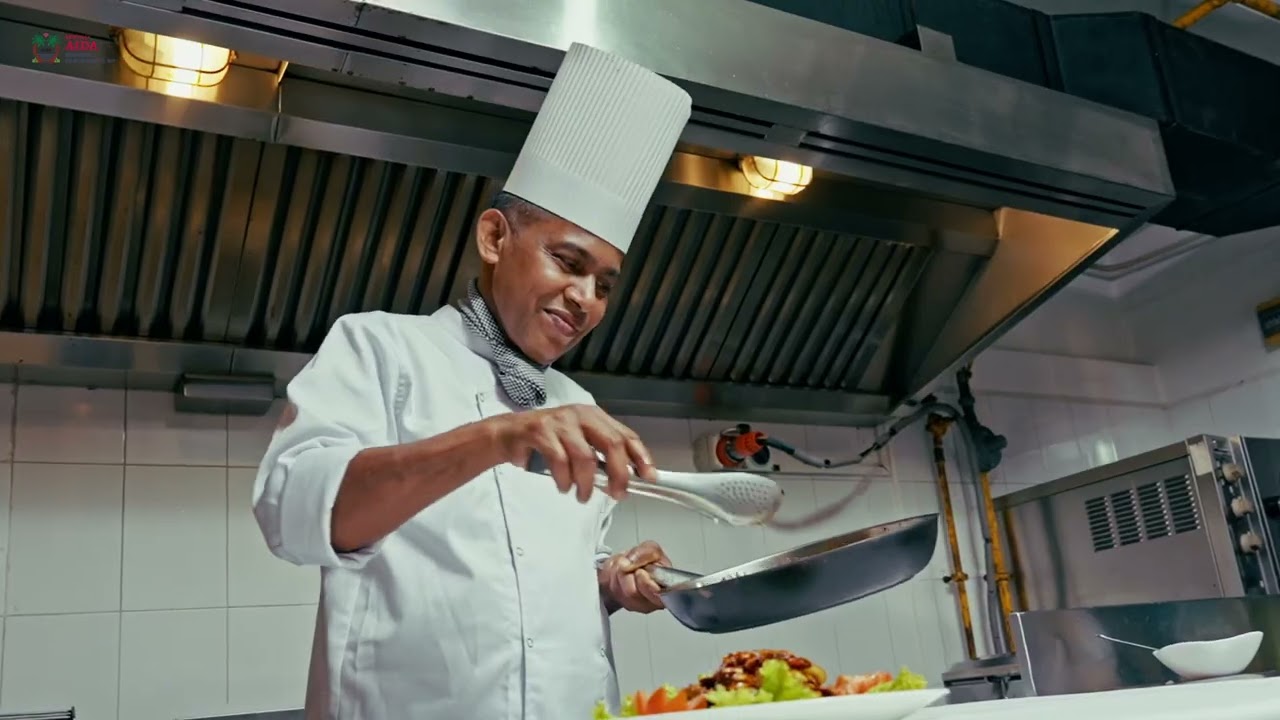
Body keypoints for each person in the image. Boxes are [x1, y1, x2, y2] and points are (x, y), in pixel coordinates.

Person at [252, 43, 693, 720]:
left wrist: (610, 580)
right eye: (567, 262)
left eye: (604, 285)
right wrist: (498, 437)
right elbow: (295, 514)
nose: (585, 298)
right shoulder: (380, 348)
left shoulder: (576, 404)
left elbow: (535, 574)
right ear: (494, 238)